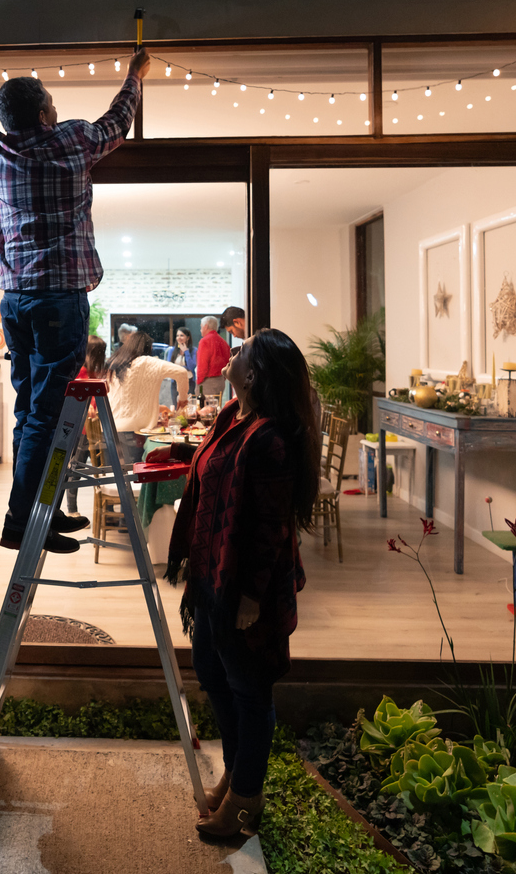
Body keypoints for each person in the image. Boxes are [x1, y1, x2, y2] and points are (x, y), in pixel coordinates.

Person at [0, 48, 151, 555]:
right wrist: (133, 76)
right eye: (52, 103)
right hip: (60, 300)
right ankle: (23, 521)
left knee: (30, 412)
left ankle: (41, 511)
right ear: (44, 113)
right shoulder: (73, 140)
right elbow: (118, 121)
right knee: (44, 413)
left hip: (16, 301)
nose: (57, 110)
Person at [148, 329, 320, 838]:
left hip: (246, 585)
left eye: (242, 350)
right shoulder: (230, 417)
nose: (232, 350)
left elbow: (272, 528)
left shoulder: (270, 438)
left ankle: (246, 797)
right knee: (211, 668)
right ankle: (240, 768)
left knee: (248, 686)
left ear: (255, 373)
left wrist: (249, 596)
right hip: (212, 573)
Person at [104, 331, 190, 464]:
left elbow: (128, 399)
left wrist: (157, 408)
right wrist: (182, 399)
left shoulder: (116, 362)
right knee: (138, 472)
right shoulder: (149, 362)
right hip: (134, 432)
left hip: (109, 428)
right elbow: (182, 372)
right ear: (148, 348)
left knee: (122, 476)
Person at [66, 334, 106, 516]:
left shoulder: (96, 372)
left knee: (92, 467)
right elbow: (81, 397)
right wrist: (89, 404)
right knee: (77, 466)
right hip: (83, 428)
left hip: (94, 426)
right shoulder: (81, 372)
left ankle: (104, 509)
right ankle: (72, 509)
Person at [196, 315, 231, 400]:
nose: (200, 330)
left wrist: (198, 382)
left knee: (204, 410)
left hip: (207, 381)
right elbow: (228, 362)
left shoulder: (204, 341)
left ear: (206, 326)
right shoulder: (223, 342)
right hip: (220, 381)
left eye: (201, 327)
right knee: (216, 408)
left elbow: (202, 365)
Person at [166, 326, 198, 402]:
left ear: (188, 338)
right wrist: (183, 367)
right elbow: (168, 366)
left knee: (188, 405)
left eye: (182, 335)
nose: (179, 337)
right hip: (175, 382)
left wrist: (186, 351)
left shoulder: (193, 350)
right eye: (177, 335)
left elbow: (191, 366)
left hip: (189, 382)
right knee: (176, 405)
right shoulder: (172, 350)